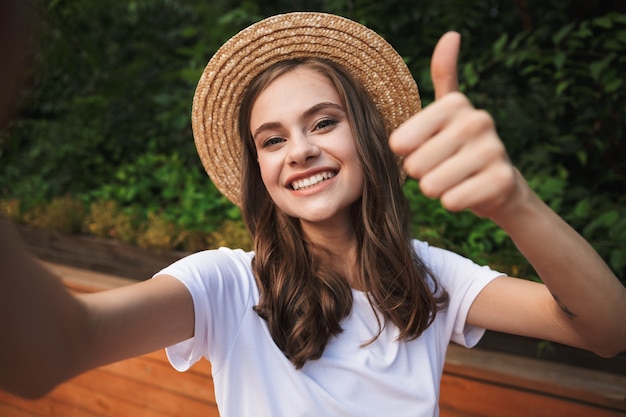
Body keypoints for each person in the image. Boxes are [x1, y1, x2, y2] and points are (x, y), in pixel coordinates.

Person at [1, 11, 625, 417]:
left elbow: (606, 331)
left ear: (368, 139)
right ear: (261, 173)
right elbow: (59, 347)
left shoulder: (431, 277)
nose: (299, 150)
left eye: (323, 122)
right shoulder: (224, 284)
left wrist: (513, 203)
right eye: (272, 140)